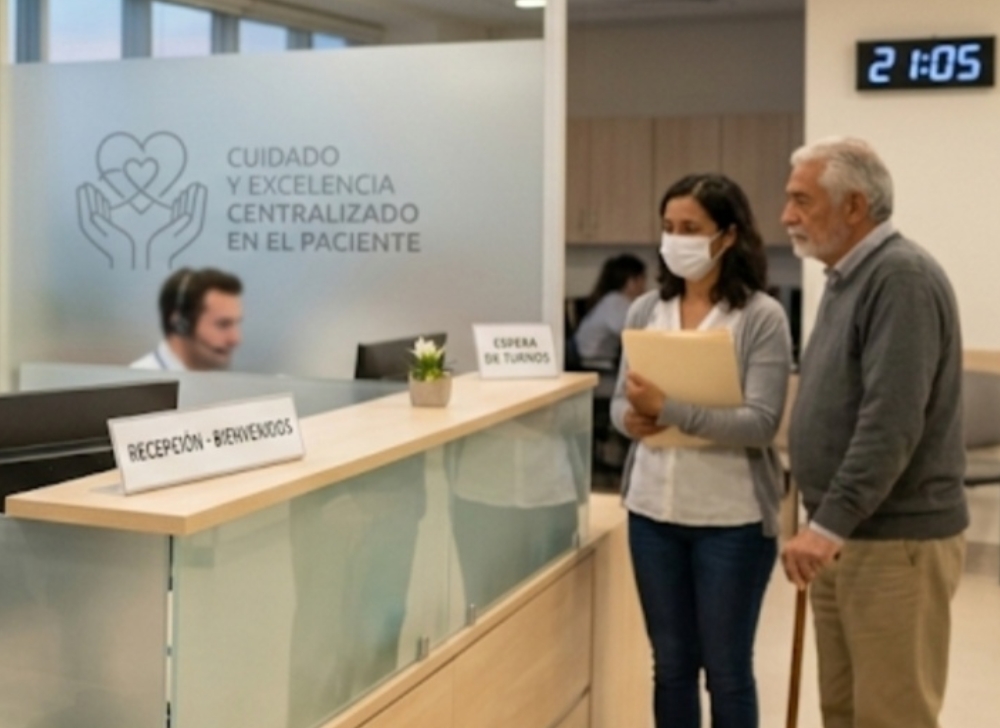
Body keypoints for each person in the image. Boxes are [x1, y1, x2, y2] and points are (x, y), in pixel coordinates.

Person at [779, 137, 967, 728]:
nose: (787, 216)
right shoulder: (847, 278)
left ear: (855, 206)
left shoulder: (900, 278)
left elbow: (891, 422)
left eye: (801, 201)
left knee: (891, 715)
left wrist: (827, 524)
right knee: (843, 710)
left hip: (892, 540)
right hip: (846, 534)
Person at [611, 173, 792, 728]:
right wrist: (634, 418)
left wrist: (670, 409)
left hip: (730, 523)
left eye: (691, 228)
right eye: (668, 228)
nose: (676, 240)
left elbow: (761, 423)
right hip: (652, 514)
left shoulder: (760, 317)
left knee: (727, 669)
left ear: (729, 236)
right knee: (670, 666)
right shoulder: (646, 311)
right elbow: (619, 403)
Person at [131, 267, 243, 371]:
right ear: (181, 324)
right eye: (223, 324)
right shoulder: (136, 386)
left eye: (236, 323)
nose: (235, 339)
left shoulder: (216, 386)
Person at [573, 253, 647, 368]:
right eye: (642, 278)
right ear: (631, 281)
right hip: (595, 364)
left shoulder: (613, 299)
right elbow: (630, 334)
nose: (644, 285)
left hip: (595, 360)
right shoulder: (615, 302)